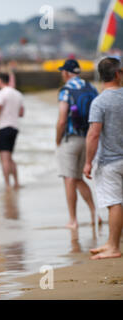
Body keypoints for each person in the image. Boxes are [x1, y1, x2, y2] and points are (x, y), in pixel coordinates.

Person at [83, 57, 122, 260]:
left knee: (114, 203)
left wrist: (88, 162)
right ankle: (110, 243)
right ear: (117, 74)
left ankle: (114, 246)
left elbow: (93, 134)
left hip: (111, 161)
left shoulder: (99, 102)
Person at [56, 59, 100, 229]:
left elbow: (61, 120)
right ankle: (93, 212)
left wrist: (57, 140)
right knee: (78, 178)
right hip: (89, 138)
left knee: (69, 179)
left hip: (71, 138)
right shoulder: (91, 88)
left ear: (66, 73)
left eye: (62, 72)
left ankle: (73, 220)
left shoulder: (66, 90)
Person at [0, 73, 24, 188]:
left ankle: (7, 184)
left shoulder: (1, 93)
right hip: (15, 127)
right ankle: (16, 182)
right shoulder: (18, 94)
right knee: (10, 156)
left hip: (3, 127)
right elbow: (21, 113)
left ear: (0, 81)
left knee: (4, 158)